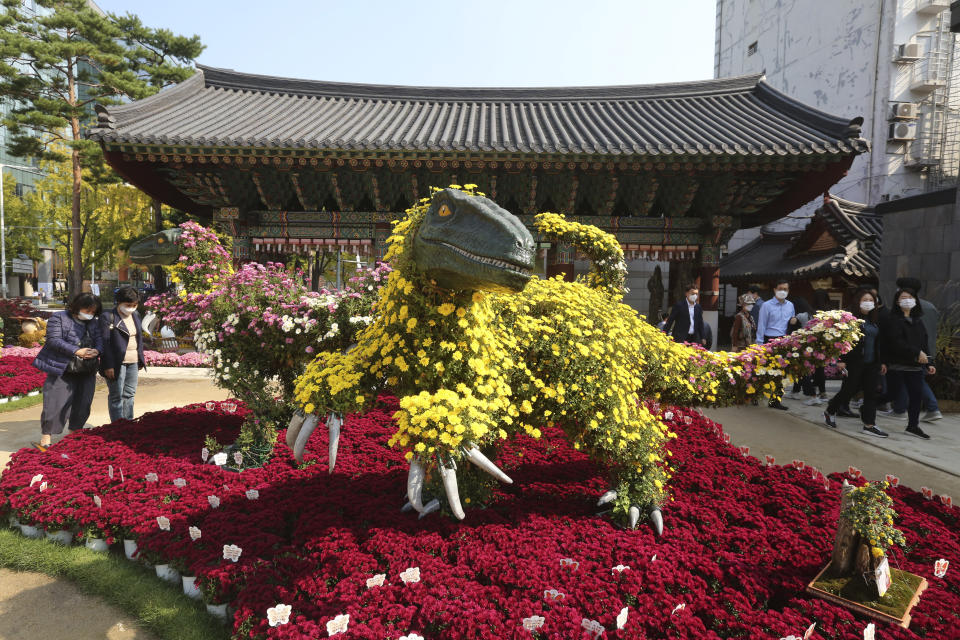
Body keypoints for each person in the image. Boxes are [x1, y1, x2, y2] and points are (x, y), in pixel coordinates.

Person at [30, 292, 103, 451]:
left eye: (93, 312)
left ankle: (73, 436)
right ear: (77, 306)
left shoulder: (94, 322)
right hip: (62, 367)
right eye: (87, 310)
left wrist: (97, 351)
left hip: (86, 369)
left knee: (83, 403)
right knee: (55, 403)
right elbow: (54, 340)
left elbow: (100, 340)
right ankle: (46, 438)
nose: (89, 314)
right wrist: (77, 351)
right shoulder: (59, 318)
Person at [823, 290, 887, 437]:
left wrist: (882, 361)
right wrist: (841, 360)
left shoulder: (874, 321)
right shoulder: (849, 319)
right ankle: (830, 411)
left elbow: (879, 343)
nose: (868, 302)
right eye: (865, 299)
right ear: (858, 301)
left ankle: (869, 425)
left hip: (872, 363)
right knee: (848, 390)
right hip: (854, 362)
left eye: (872, 300)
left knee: (871, 394)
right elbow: (840, 340)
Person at [880, 286, 936, 439]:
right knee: (892, 394)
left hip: (915, 367)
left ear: (915, 300)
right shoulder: (893, 320)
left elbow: (924, 343)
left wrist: (929, 363)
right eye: (903, 298)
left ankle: (913, 426)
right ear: (897, 302)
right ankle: (870, 403)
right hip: (897, 365)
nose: (907, 300)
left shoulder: (918, 321)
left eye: (910, 297)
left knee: (916, 397)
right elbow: (896, 342)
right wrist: (917, 353)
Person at [99, 286, 146, 422]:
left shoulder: (135, 316)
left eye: (134, 305)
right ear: (118, 302)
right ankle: (118, 426)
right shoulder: (108, 317)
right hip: (116, 363)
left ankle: (129, 422)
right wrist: (108, 365)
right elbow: (105, 342)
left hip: (133, 361)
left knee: (130, 394)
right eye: (128, 305)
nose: (131, 308)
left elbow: (139, 339)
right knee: (116, 396)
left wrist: (140, 359)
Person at [757, 279, 798, 410]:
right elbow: (761, 325)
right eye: (780, 288)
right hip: (770, 339)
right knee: (767, 371)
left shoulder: (790, 305)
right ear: (774, 289)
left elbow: (791, 322)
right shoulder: (766, 305)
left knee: (783, 372)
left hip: (785, 340)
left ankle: (776, 399)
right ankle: (755, 395)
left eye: (785, 289)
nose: (783, 291)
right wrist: (759, 345)